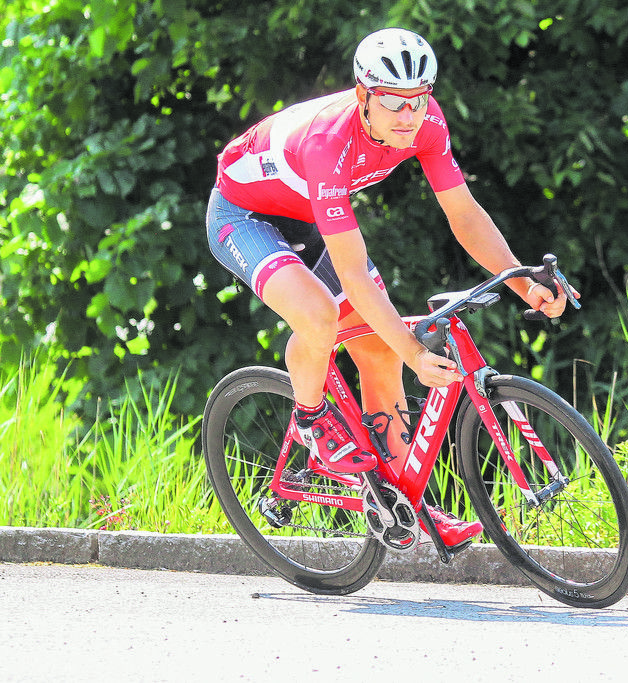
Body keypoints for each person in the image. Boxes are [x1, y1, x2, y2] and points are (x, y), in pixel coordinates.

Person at [206, 28, 569, 546]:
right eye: (393, 102)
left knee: (379, 353)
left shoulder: (427, 123)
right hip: (244, 214)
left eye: (417, 100)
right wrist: (419, 354)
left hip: (308, 217)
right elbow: (352, 274)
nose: (407, 115)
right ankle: (311, 420)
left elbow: (463, 215)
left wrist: (521, 280)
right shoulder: (329, 141)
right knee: (318, 314)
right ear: (363, 97)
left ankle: (409, 505)